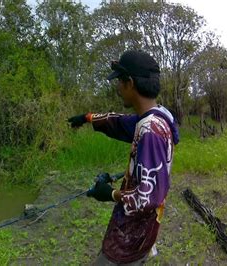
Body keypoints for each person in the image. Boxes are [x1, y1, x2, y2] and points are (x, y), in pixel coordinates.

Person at [68, 50, 180, 265]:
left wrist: (110, 193)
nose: (117, 87)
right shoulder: (160, 115)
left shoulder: (150, 131)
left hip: (131, 237)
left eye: (119, 81)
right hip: (143, 232)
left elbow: (148, 198)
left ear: (129, 83)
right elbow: (122, 122)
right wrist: (88, 118)